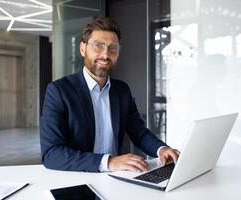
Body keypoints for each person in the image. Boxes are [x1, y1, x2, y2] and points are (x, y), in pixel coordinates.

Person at [40, 17, 179, 173]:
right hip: (78, 177)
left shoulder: (122, 90)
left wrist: (161, 149)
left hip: (116, 178)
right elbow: (51, 154)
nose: (106, 55)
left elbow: (139, 132)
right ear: (82, 48)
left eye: (113, 48)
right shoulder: (59, 91)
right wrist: (109, 162)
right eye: (98, 46)